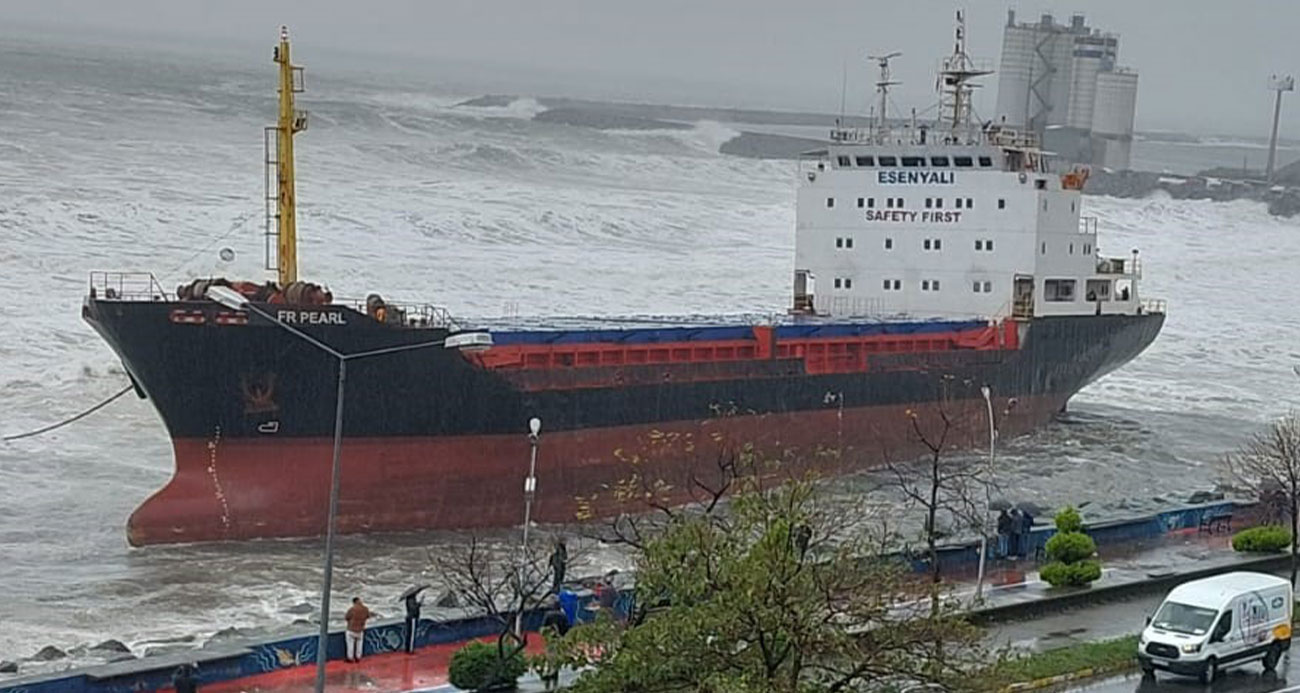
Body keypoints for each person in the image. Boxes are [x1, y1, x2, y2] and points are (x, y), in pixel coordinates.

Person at [344, 597, 371, 663]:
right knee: (359, 644)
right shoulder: (365, 609)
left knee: (350, 644)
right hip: (360, 629)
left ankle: (350, 658)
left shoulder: (352, 609)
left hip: (351, 629)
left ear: (354, 602)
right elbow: (368, 616)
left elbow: (346, 617)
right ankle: (358, 657)